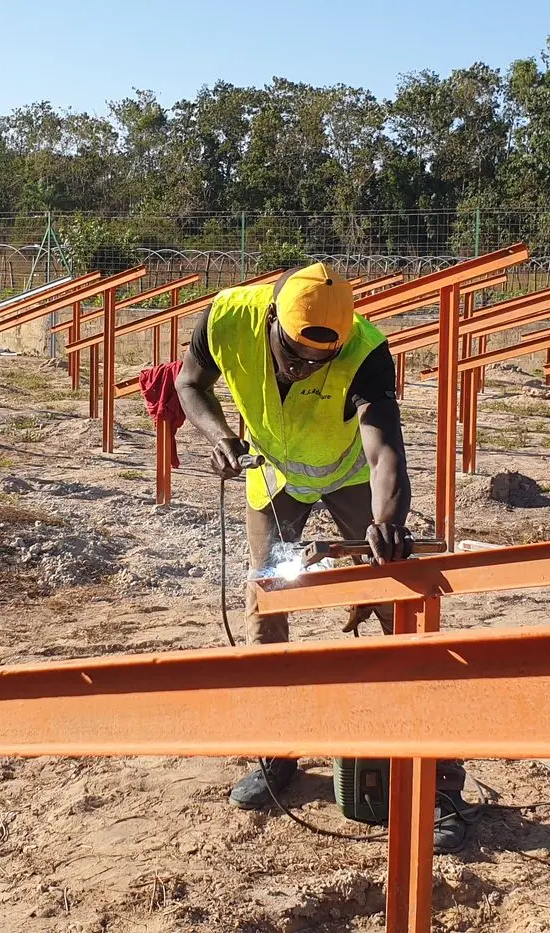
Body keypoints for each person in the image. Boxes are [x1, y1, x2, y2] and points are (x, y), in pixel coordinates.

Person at [173, 261, 469, 853]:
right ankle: (278, 757)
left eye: (319, 362)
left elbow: (386, 449)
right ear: (273, 325)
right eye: (296, 356)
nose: (307, 368)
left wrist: (388, 523)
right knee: (267, 613)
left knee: (398, 607)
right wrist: (221, 438)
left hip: (349, 476)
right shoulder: (227, 318)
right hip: (275, 478)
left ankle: (438, 779)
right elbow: (188, 384)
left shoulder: (365, 350)